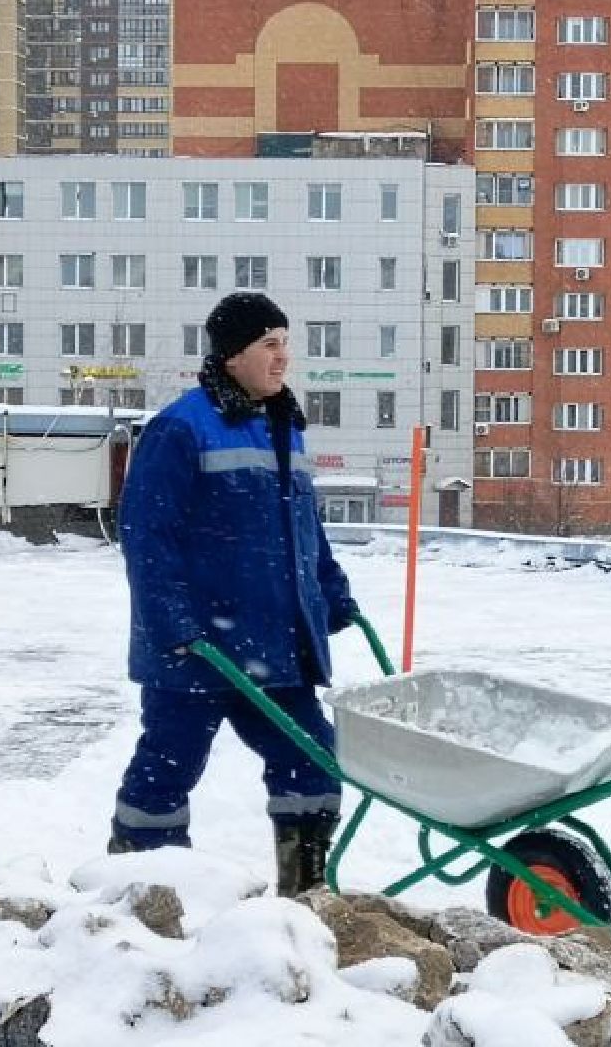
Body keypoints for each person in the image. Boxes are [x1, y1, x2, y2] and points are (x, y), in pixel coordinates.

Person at [110, 290, 360, 895]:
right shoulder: (182, 428)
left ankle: (307, 896)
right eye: (269, 345)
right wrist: (176, 626)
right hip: (195, 649)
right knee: (166, 775)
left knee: (315, 762)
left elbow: (303, 527)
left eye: (285, 344)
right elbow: (147, 534)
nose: (283, 358)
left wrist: (331, 591)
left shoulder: (284, 428)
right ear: (232, 357)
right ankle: (141, 894)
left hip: (273, 649)